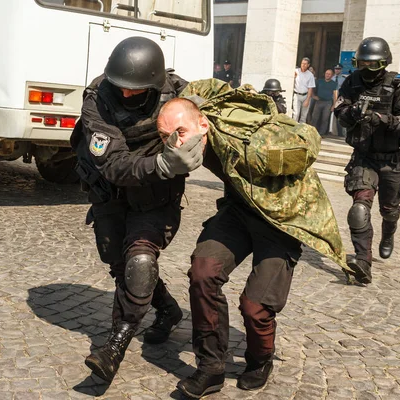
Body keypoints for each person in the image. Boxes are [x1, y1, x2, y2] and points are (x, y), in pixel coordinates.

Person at [156, 80, 349, 398]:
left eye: (178, 134)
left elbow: (310, 143)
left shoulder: (246, 143)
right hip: (238, 211)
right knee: (203, 272)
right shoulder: (192, 125)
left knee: (255, 306)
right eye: (166, 136)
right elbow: (197, 89)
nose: (173, 143)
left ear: (202, 124)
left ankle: (260, 361)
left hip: (280, 220)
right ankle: (211, 368)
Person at [70, 36, 204, 383]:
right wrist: (163, 163)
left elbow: (210, 119)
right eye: (122, 87)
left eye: (136, 89)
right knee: (120, 267)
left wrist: (197, 138)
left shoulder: (177, 93)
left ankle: (115, 345)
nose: (127, 94)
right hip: (110, 193)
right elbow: (113, 164)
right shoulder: (97, 100)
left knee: (140, 260)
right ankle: (169, 310)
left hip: (155, 199)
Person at [334, 37, 400, 284]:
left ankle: (388, 235)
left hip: (393, 160)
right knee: (359, 209)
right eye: (362, 63)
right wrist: (351, 113)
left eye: (372, 65)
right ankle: (363, 262)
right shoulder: (352, 83)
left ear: (384, 63)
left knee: (389, 210)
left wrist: (380, 119)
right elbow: (340, 112)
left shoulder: (398, 85)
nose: (366, 70)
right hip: (364, 157)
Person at [311, 69, 338, 135]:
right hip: (318, 101)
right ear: (324, 74)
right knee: (314, 118)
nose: (327, 75)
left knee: (325, 119)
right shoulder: (319, 81)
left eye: (329, 74)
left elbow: (335, 94)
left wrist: (334, 105)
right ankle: (312, 132)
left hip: (328, 103)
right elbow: (311, 88)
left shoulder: (334, 84)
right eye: (326, 73)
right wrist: (313, 96)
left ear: (332, 75)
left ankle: (321, 133)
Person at [293, 57, 316, 123]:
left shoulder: (310, 75)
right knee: (295, 114)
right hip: (297, 95)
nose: (303, 65)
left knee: (303, 116)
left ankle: (301, 131)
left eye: (305, 64)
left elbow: (310, 88)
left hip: (306, 96)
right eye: (302, 63)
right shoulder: (296, 71)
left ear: (308, 65)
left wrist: (308, 100)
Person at [332, 64, 347, 137]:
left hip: (340, 98)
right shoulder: (332, 78)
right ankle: (331, 131)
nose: (337, 70)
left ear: (341, 70)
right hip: (331, 98)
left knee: (339, 115)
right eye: (336, 69)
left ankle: (340, 133)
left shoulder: (344, 79)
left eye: (338, 69)